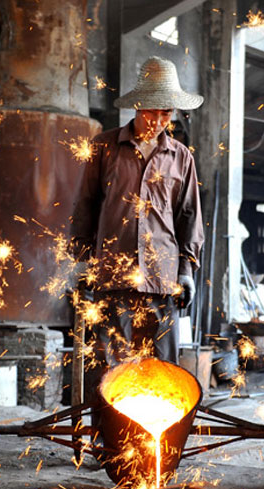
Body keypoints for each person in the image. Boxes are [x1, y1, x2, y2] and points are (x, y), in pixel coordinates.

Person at [71, 56, 204, 366]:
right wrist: (80, 261)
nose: (158, 122)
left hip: (162, 280)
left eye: (166, 114)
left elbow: (189, 217)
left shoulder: (181, 158)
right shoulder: (104, 148)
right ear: (137, 106)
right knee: (111, 371)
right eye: (152, 113)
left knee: (161, 371)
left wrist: (186, 272)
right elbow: (85, 206)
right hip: (113, 277)